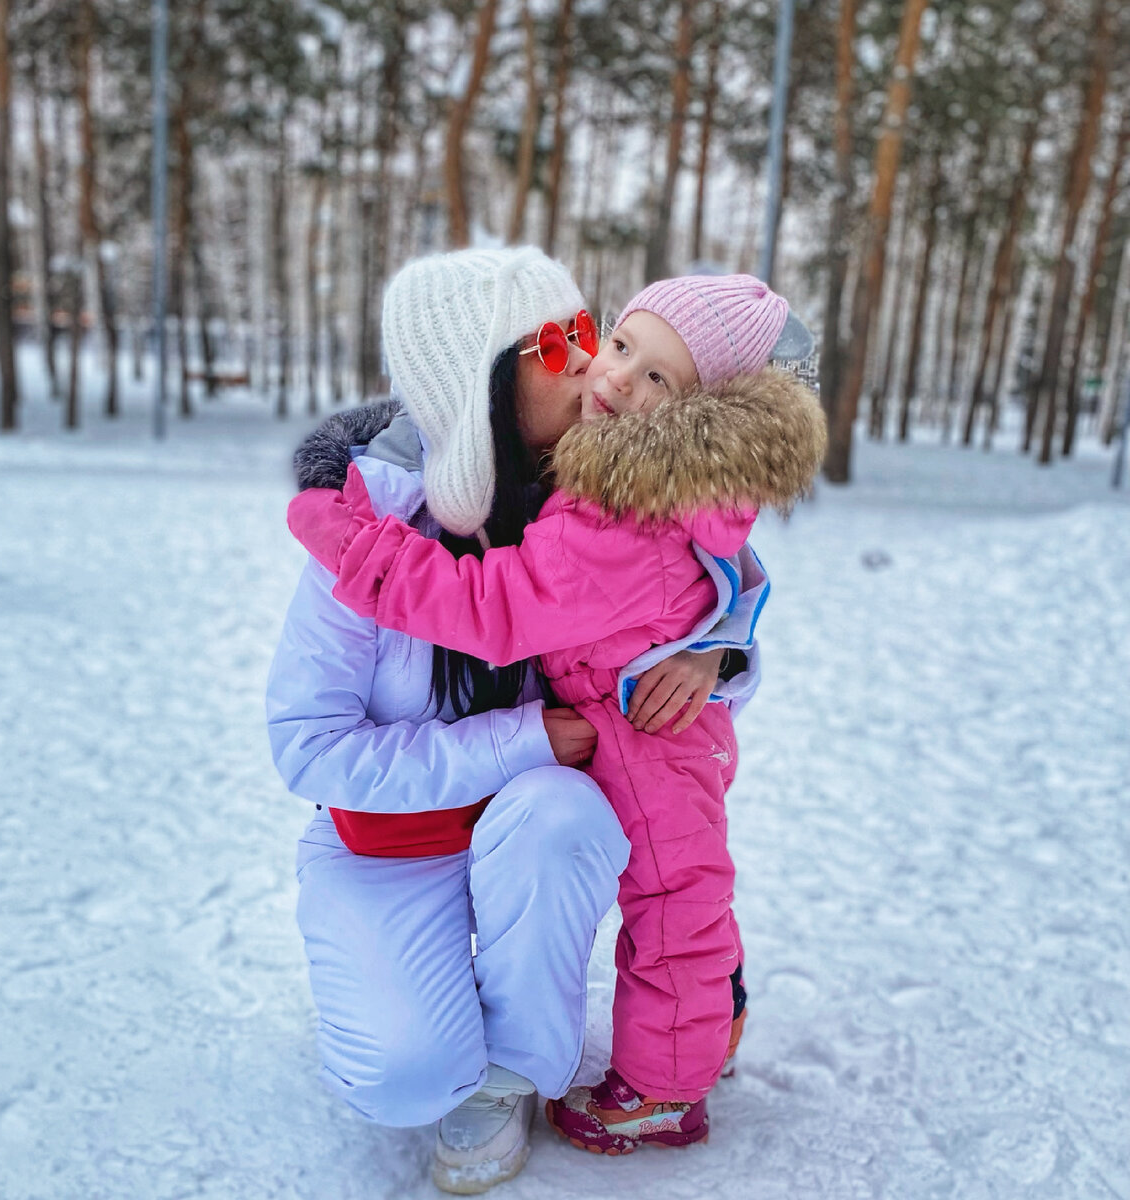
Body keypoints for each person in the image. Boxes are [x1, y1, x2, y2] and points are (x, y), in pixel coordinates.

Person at [287, 271, 827, 1156]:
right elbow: (308, 747)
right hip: (392, 841)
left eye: (591, 330)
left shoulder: (615, 485)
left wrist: (717, 652)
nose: (599, 371)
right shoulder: (586, 479)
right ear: (483, 382)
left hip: (630, 753)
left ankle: (661, 1085)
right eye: (581, 343)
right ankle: (700, 1007)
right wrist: (355, 544)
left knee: (670, 902)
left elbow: (514, 604)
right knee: (420, 1061)